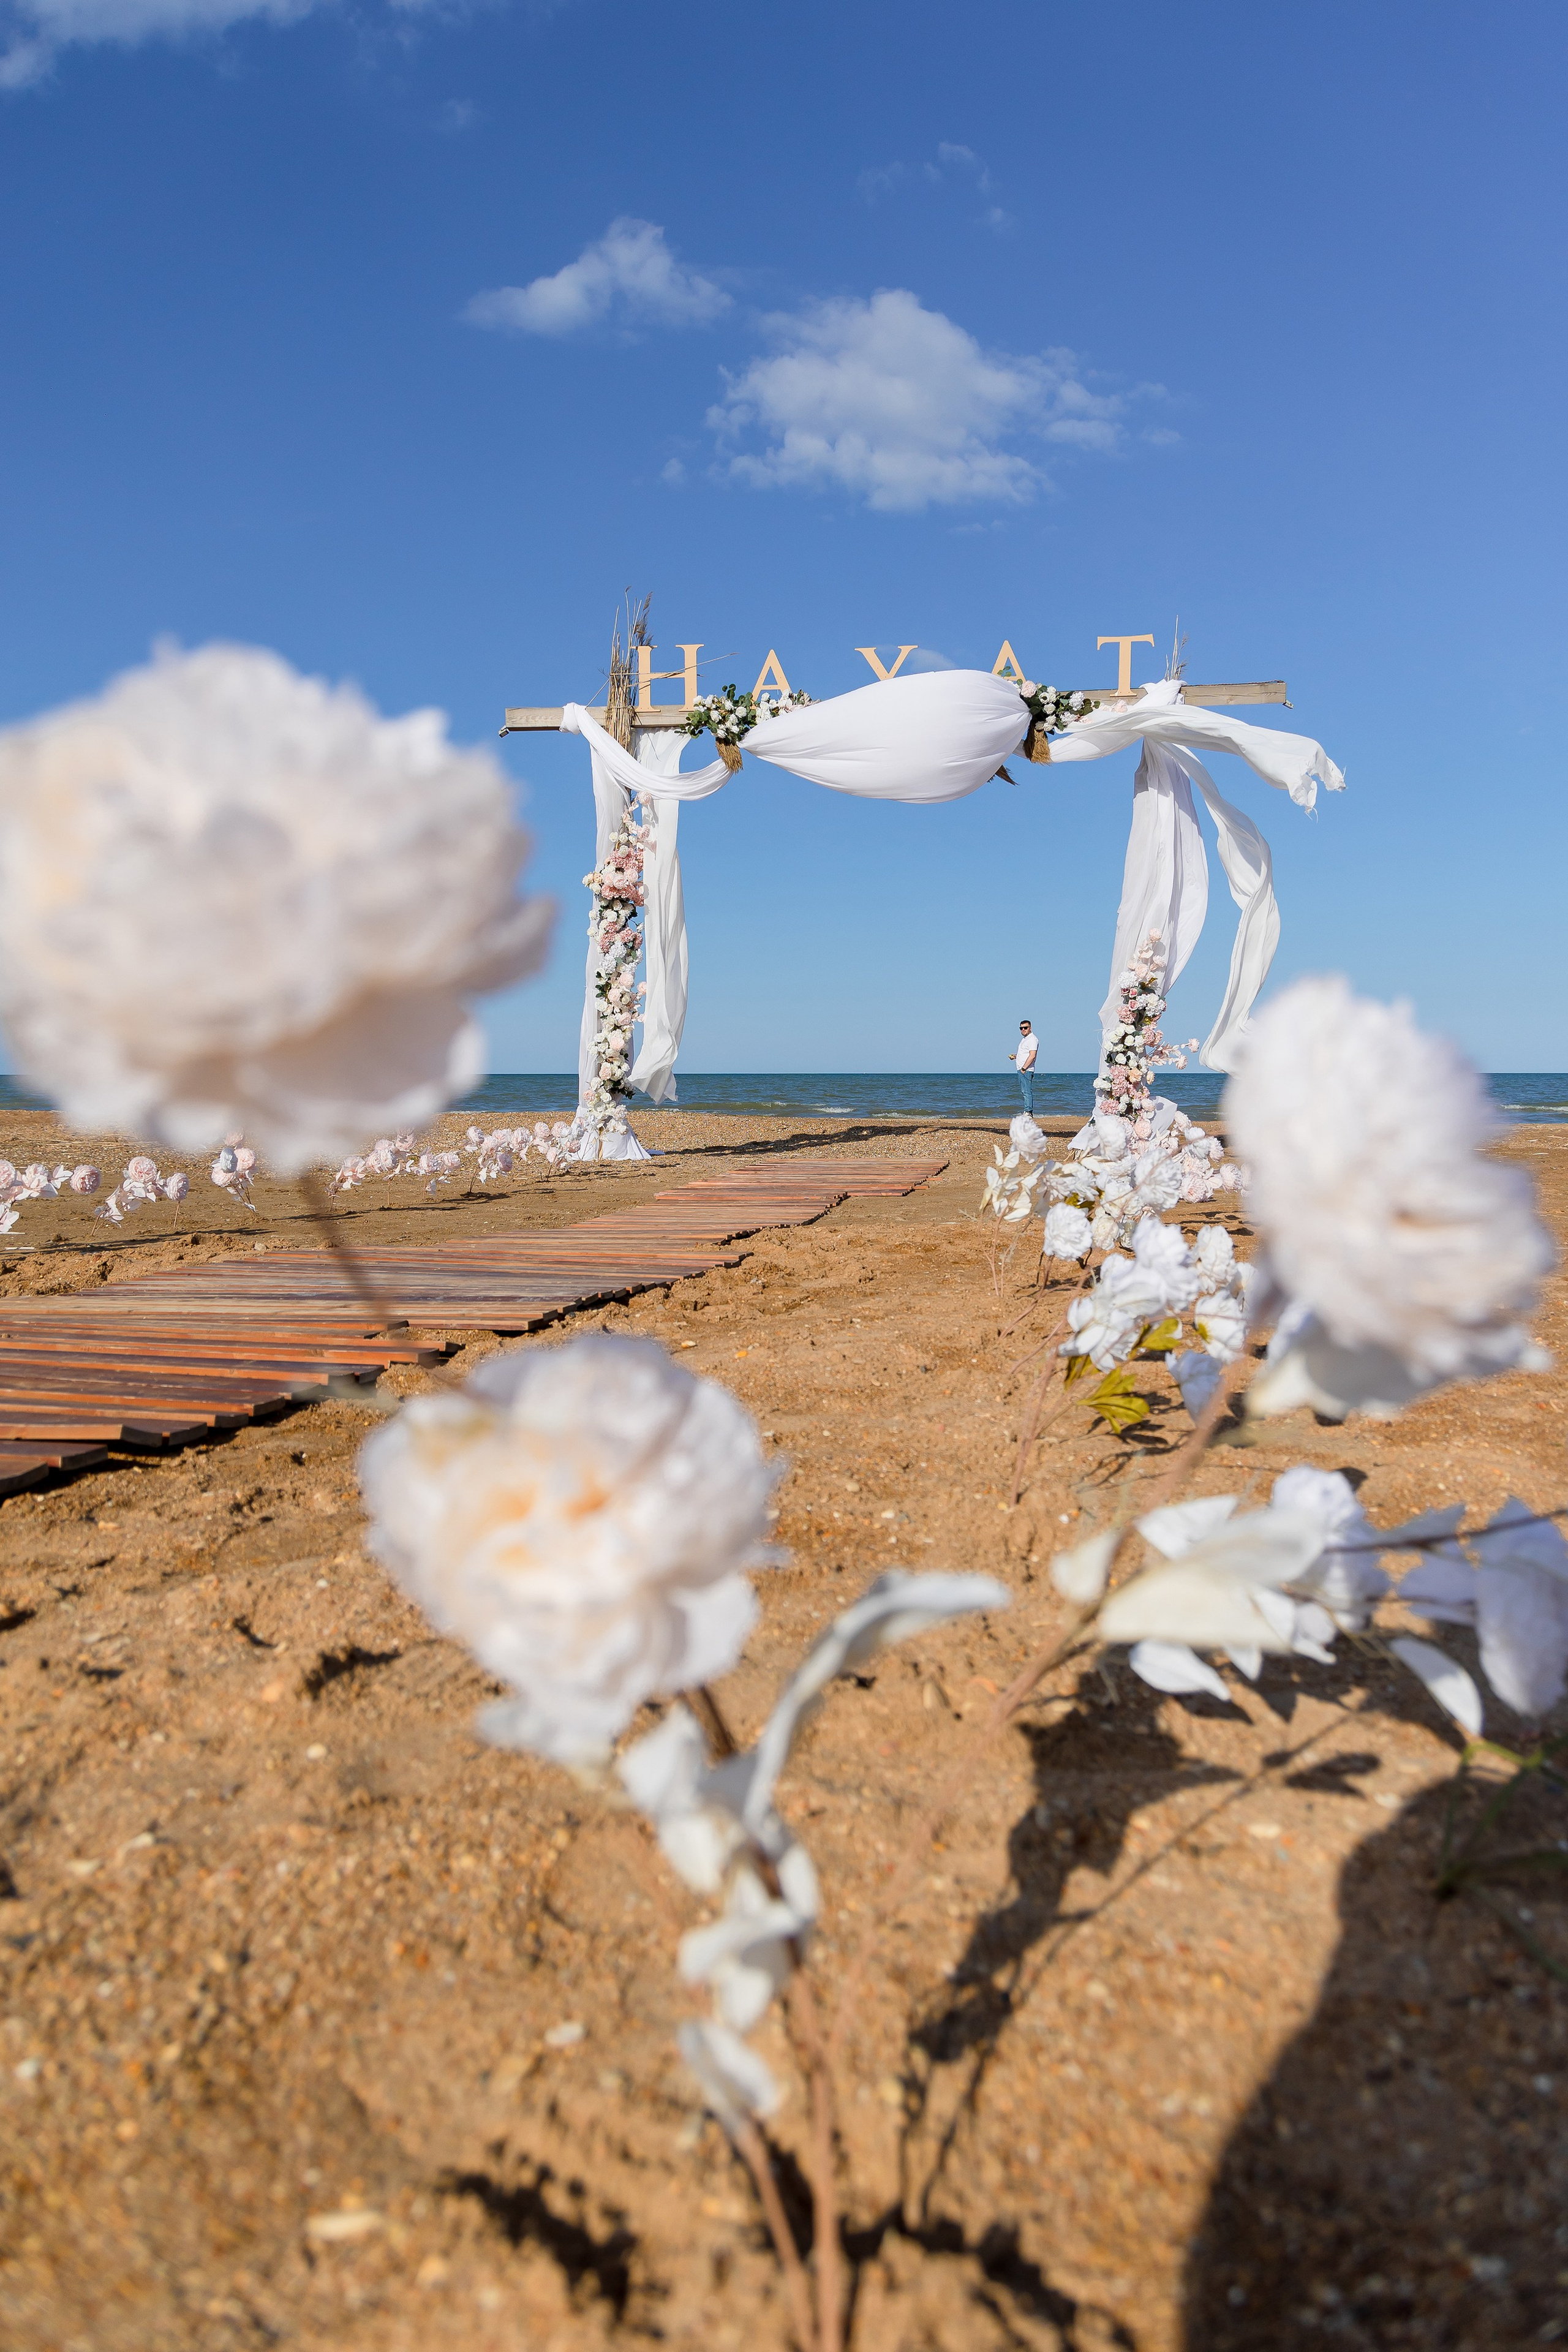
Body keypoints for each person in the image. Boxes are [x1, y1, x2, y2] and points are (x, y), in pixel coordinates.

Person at [1009, 1018, 1039, 1114]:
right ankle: (1027, 1111)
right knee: (1024, 1091)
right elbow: (1025, 1054)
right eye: (1021, 1028)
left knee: (1027, 1091)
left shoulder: (1032, 1039)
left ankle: (1028, 1112)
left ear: (1030, 1028)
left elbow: (1032, 1055)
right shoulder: (1025, 1040)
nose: (1023, 1030)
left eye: (1025, 1028)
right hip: (1022, 1069)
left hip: (1026, 1070)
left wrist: (1024, 1068)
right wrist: (1016, 1057)